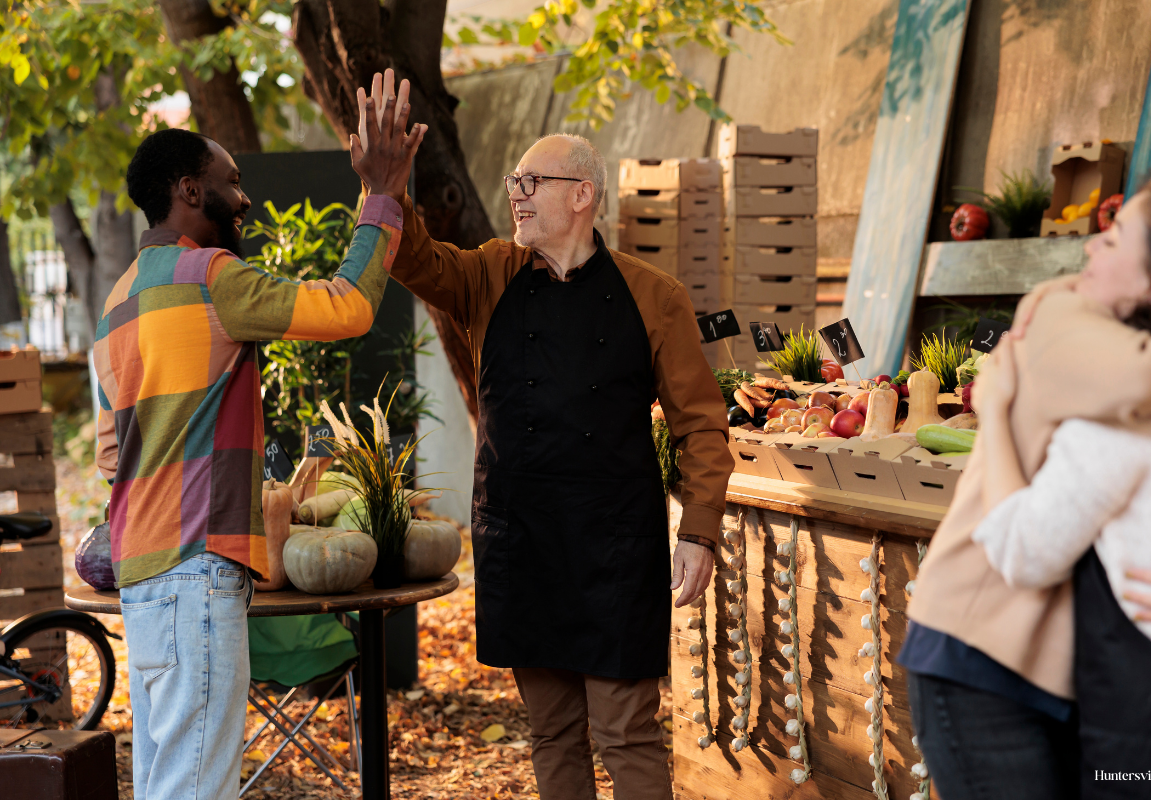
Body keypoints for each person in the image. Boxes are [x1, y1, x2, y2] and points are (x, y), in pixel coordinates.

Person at [360, 70, 732, 799]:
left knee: (626, 731)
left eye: (532, 180)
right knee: (552, 732)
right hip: (520, 537)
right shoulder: (491, 272)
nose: (515, 194)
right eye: (513, 181)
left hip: (614, 547)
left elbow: (700, 423)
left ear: (582, 195)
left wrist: (700, 531)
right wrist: (386, 190)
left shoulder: (656, 297)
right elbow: (412, 258)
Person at [94, 81, 426, 800]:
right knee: (198, 788)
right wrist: (380, 194)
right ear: (189, 191)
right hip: (197, 566)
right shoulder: (213, 278)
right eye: (231, 183)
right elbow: (349, 307)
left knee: (165, 781)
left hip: (141, 575)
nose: (244, 200)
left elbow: (107, 459)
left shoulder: (116, 301)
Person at [900, 162, 1151, 800]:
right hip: (987, 639)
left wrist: (1000, 416)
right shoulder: (1063, 316)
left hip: (1099, 670)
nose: (1090, 245)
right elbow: (1142, 381)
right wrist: (1000, 417)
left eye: (1115, 236)